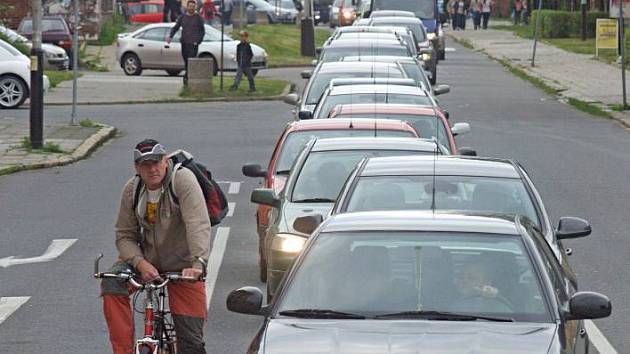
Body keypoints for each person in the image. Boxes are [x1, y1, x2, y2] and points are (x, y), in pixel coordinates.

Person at [101, 139, 211, 354]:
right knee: (112, 283)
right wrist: (140, 263)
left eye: (156, 162)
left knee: (191, 345)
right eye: (145, 164)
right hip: (146, 261)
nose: (152, 169)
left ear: (165, 160)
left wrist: (197, 264)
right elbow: (124, 235)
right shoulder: (132, 189)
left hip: (184, 266)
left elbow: (197, 224)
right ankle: (124, 351)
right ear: (136, 168)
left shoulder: (182, 181)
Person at [167, 0, 205, 85]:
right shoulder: (182, 17)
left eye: (193, 6)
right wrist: (170, 36)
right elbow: (176, 27)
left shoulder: (198, 18)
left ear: (195, 7)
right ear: (187, 7)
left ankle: (186, 78)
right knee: (186, 61)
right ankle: (188, 78)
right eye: (190, 6)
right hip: (184, 43)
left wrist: (198, 41)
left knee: (191, 61)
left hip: (193, 44)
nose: (191, 8)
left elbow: (202, 31)